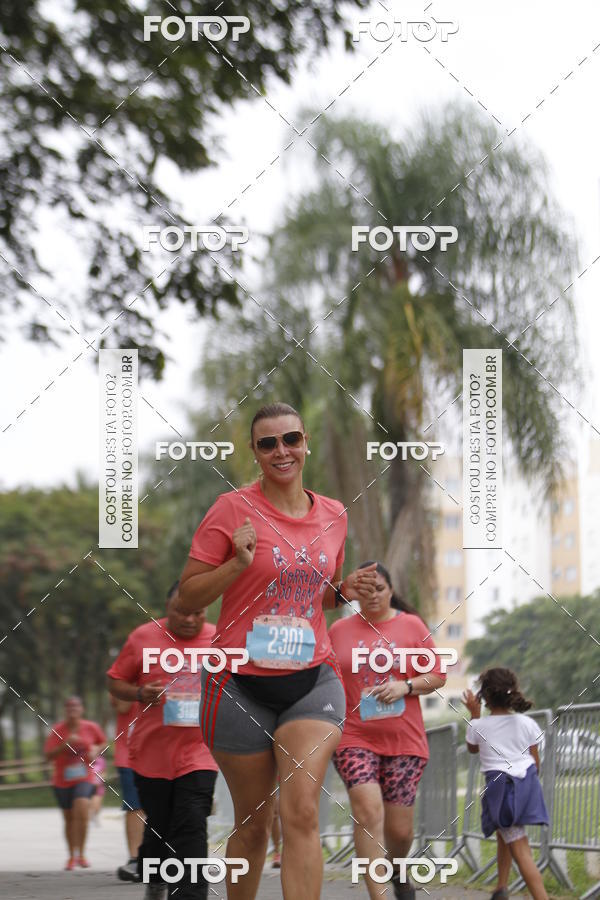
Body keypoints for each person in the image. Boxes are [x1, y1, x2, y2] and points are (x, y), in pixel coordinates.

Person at [179, 401, 378, 900]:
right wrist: (236, 564)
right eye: (268, 443)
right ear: (255, 451)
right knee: (253, 823)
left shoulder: (334, 514)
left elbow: (316, 593)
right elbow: (188, 597)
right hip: (237, 685)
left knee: (302, 812)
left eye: (290, 439)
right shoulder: (231, 510)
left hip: (312, 680)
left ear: (305, 442)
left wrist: (344, 591)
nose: (281, 451)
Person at [328, 561, 446, 900]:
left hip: (404, 740)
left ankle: (396, 868)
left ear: (391, 590)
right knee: (367, 811)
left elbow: (437, 676)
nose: (373, 595)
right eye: (365, 589)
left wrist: (405, 686)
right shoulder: (339, 630)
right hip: (354, 737)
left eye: (379, 588)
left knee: (400, 831)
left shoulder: (411, 626)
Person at [107, 581, 219, 900]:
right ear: (167, 607)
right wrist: (140, 693)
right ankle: (155, 877)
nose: (189, 619)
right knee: (160, 822)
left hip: (200, 751)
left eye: (197, 613)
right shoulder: (143, 637)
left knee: (192, 819)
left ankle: (189, 895)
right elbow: (115, 682)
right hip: (151, 753)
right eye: (181, 612)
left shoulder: (219, 639)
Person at [462, 667, 550, 900]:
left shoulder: (478, 726)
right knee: (506, 833)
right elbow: (535, 762)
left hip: (501, 789)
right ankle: (501, 887)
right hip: (527, 785)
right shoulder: (527, 723)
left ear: (484, 696)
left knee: (521, 849)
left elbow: (472, 748)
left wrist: (474, 713)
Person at [44, 695, 106, 870]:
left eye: (76, 706)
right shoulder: (58, 730)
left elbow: (103, 742)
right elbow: (48, 756)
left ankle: (82, 855)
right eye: (69, 706)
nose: (73, 709)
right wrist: (64, 745)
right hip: (62, 781)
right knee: (69, 819)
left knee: (82, 812)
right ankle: (72, 856)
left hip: (84, 778)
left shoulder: (91, 727)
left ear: (81, 709)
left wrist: (95, 749)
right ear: (65, 710)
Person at [110, 693, 145, 882]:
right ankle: (135, 860)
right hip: (130, 753)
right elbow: (123, 705)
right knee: (134, 806)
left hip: (163, 749)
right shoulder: (123, 680)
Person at [89, 754, 107, 823]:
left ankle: (95, 816)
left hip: (99, 785)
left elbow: (104, 772)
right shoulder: (85, 758)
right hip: (88, 784)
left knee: (97, 804)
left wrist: (99, 779)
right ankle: (89, 816)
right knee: (90, 803)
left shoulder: (101, 760)